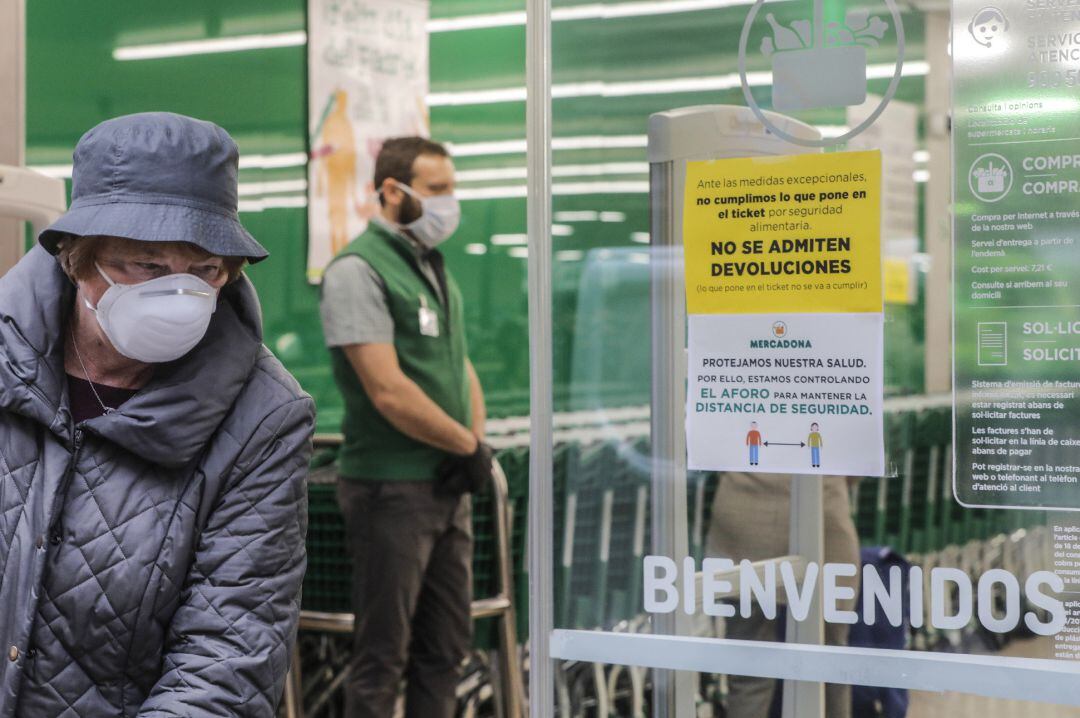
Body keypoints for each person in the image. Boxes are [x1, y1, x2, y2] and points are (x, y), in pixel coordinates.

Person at [0, 112, 316, 717]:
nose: (179, 297)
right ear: (76, 258)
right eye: (145, 266)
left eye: (204, 271)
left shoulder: (263, 418)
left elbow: (227, 657)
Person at [319, 136, 491, 718]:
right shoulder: (356, 271)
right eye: (437, 190)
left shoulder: (431, 267)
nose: (449, 202)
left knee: (446, 649)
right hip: (390, 490)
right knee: (382, 657)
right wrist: (465, 444)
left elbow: (457, 362)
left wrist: (474, 441)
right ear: (393, 192)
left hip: (445, 480)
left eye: (451, 188)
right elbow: (388, 390)